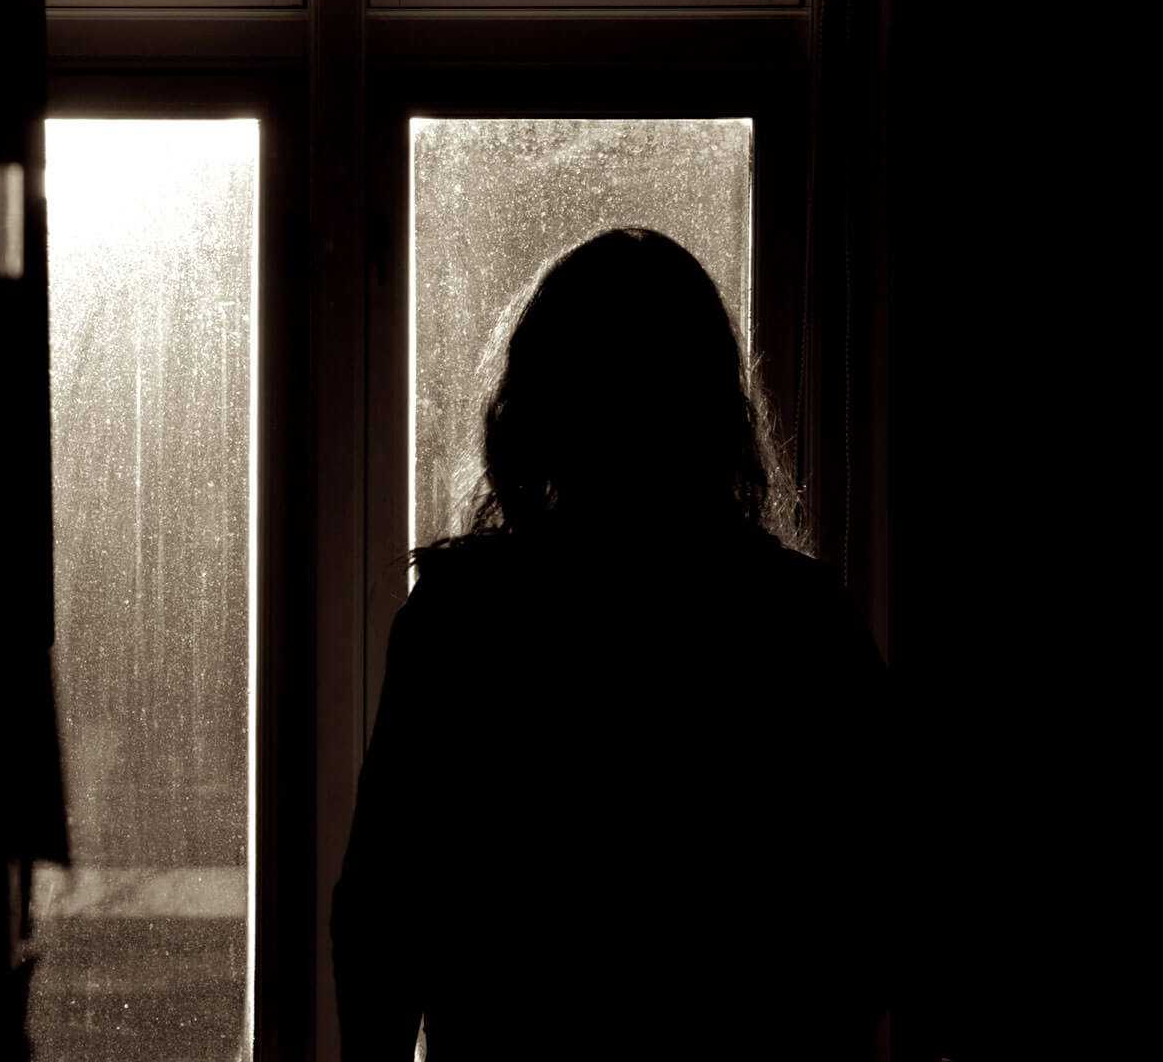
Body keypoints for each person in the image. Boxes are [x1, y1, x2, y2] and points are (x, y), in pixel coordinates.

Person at [331, 228, 889, 1059]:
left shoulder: (465, 617)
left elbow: (382, 914)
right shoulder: (804, 620)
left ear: (540, 408)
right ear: (714, 411)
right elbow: (871, 911)